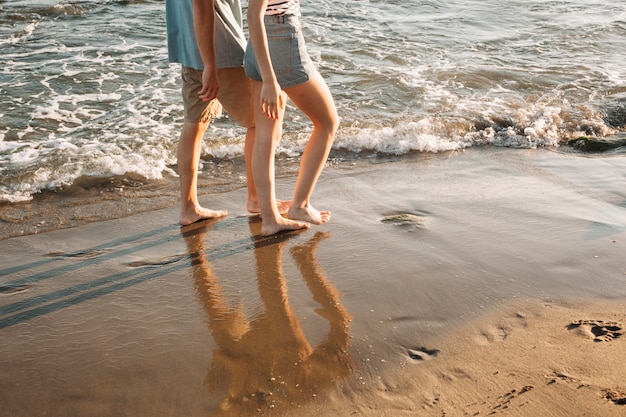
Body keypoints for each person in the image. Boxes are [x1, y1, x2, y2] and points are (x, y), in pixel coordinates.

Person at [245, 0, 339, 236]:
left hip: (260, 47)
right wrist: (269, 80)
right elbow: (253, 14)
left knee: (265, 136)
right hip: (279, 40)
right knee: (327, 123)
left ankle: (270, 219)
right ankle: (300, 205)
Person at [166, 0, 259, 225]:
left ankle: (189, 208)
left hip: (190, 51)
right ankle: (257, 199)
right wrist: (210, 65)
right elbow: (201, 6)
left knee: (195, 124)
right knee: (260, 122)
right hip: (220, 54)